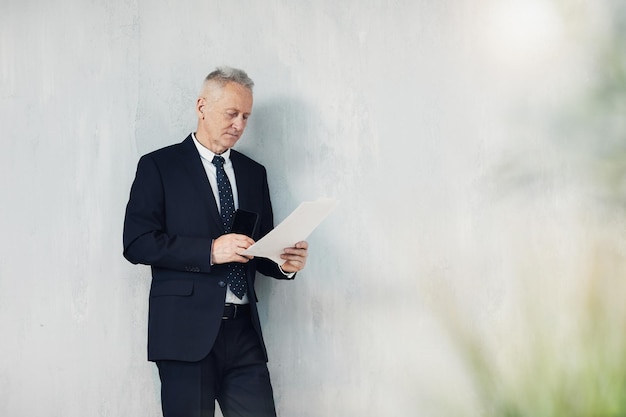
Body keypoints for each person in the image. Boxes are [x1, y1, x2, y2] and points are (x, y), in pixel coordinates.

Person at [123, 66, 309, 417]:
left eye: (246, 117)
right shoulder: (159, 166)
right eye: (231, 113)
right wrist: (210, 251)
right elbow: (137, 243)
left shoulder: (255, 172)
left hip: (244, 334)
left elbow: (259, 249)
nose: (239, 125)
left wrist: (284, 263)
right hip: (183, 334)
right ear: (202, 106)